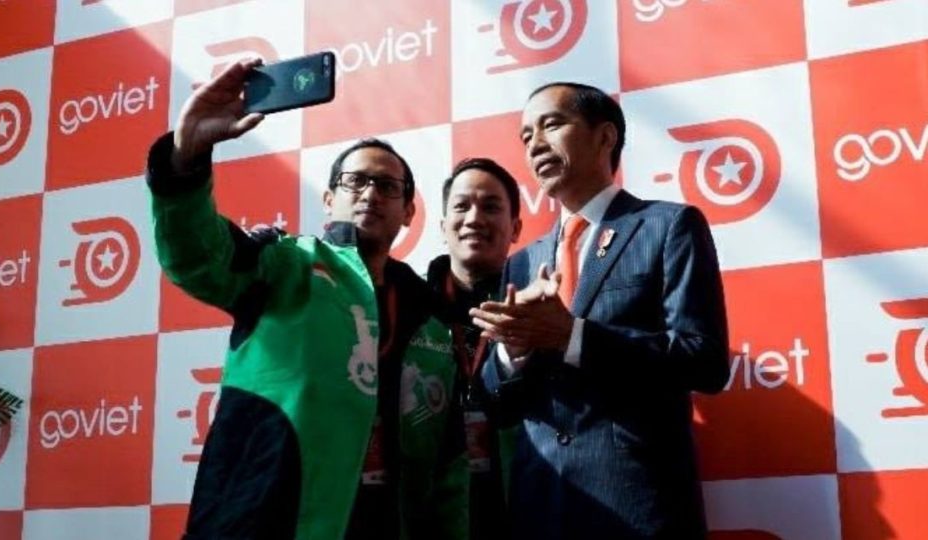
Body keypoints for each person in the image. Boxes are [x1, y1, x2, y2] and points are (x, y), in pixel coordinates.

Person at [146, 57, 467, 540]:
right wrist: (185, 158)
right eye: (356, 181)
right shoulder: (284, 264)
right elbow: (197, 257)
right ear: (329, 199)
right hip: (268, 519)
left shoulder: (432, 318)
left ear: (408, 212)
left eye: (387, 185)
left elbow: (447, 465)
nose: (371, 194)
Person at [470, 82, 730, 539]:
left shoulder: (667, 226)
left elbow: (704, 360)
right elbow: (496, 404)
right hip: (540, 506)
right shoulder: (522, 261)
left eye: (551, 124)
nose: (536, 144)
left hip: (638, 503)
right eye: (526, 136)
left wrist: (572, 336)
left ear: (605, 137)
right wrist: (514, 351)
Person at [426, 158, 522, 539]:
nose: (475, 218)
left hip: (523, 508)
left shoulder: (541, 309)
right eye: (462, 206)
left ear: (515, 227)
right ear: (442, 226)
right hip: (430, 513)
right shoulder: (408, 307)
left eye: (491, 207)